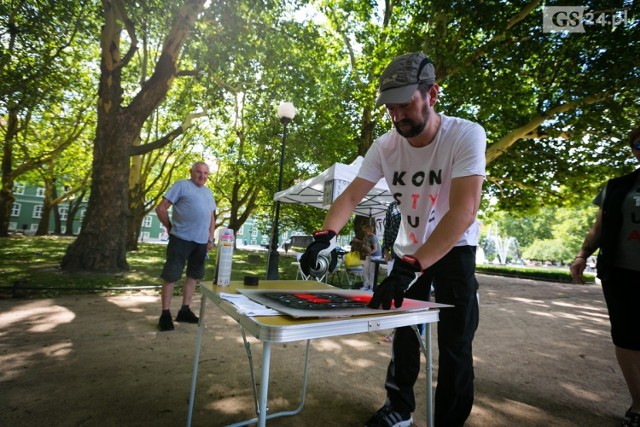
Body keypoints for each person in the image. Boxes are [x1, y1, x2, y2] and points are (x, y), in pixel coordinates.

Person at [300, 52, 486, 427]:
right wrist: (324, 236)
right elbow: (351, 197)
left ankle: (448, 420)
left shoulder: (466, 135)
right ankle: (399, 408)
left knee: (455, 344)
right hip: (409, 250)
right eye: (390, 108)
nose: (397, 116)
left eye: (405, 105)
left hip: (454, 248)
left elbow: (464, 211)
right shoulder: (385, 146)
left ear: (432, 94)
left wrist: (414, 265)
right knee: (403, 335)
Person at [570, 127, 640, 427]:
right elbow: (598, 228)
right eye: (638, 143)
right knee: (626, 338)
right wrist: (582, 255)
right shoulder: (618, 186)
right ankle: (638, 405)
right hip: (623, 273)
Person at [155, 161, 216, 332]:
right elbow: (161, 208)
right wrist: (169, 227)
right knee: (171, 275)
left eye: (205, 173)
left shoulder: (208, 193)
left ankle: (185, 310)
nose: (202, 176)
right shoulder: (181, 185)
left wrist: (210, 238)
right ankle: (165, 314)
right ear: (191, 172)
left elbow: (211, 218)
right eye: (198, 172)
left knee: (193, 276)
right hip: (180, 239)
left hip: (201, 242)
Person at [382, 201, 401, 276]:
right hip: (396, 247)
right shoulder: (393, 205)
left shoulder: (417, 201)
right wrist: (386, 250)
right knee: (396, 276)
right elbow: (387, 228)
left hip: (415, 246)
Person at [362, 223, 382, 290]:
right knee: (365, 270)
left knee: (372, 271)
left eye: (365, 231)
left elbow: (375, 249)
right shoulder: (367, 236)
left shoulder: (374, 237)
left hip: (376, 256)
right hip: (369, 255)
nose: (364, 232)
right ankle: (366, 285)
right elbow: (366, 244)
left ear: (370, 230)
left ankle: (371, 286)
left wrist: (369, 253)